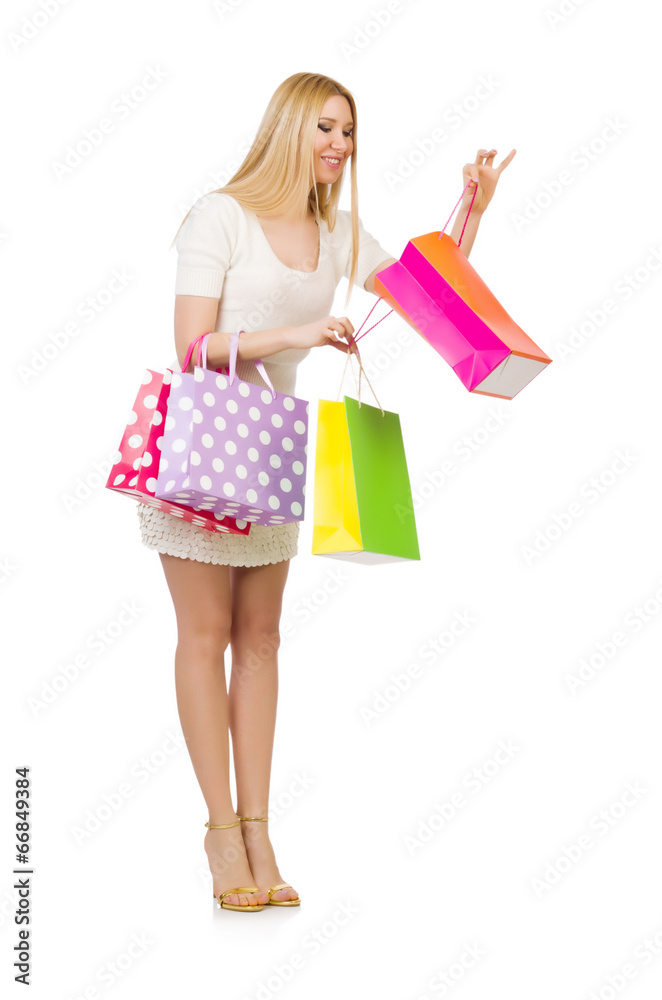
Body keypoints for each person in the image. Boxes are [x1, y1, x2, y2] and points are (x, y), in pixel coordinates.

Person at [137, 71, 515, 912]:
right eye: (325, 129)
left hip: (268, 454)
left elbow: (429, 299)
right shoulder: (220, 215)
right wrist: (300, 331)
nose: (340, 146)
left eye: (348, 131)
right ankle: (220, 833)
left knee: (261, 639)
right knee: (204, 637)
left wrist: (472, 209)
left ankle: (262, 827)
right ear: (288, 130)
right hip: (202, 449)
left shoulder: (338, 230)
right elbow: (192, 346)